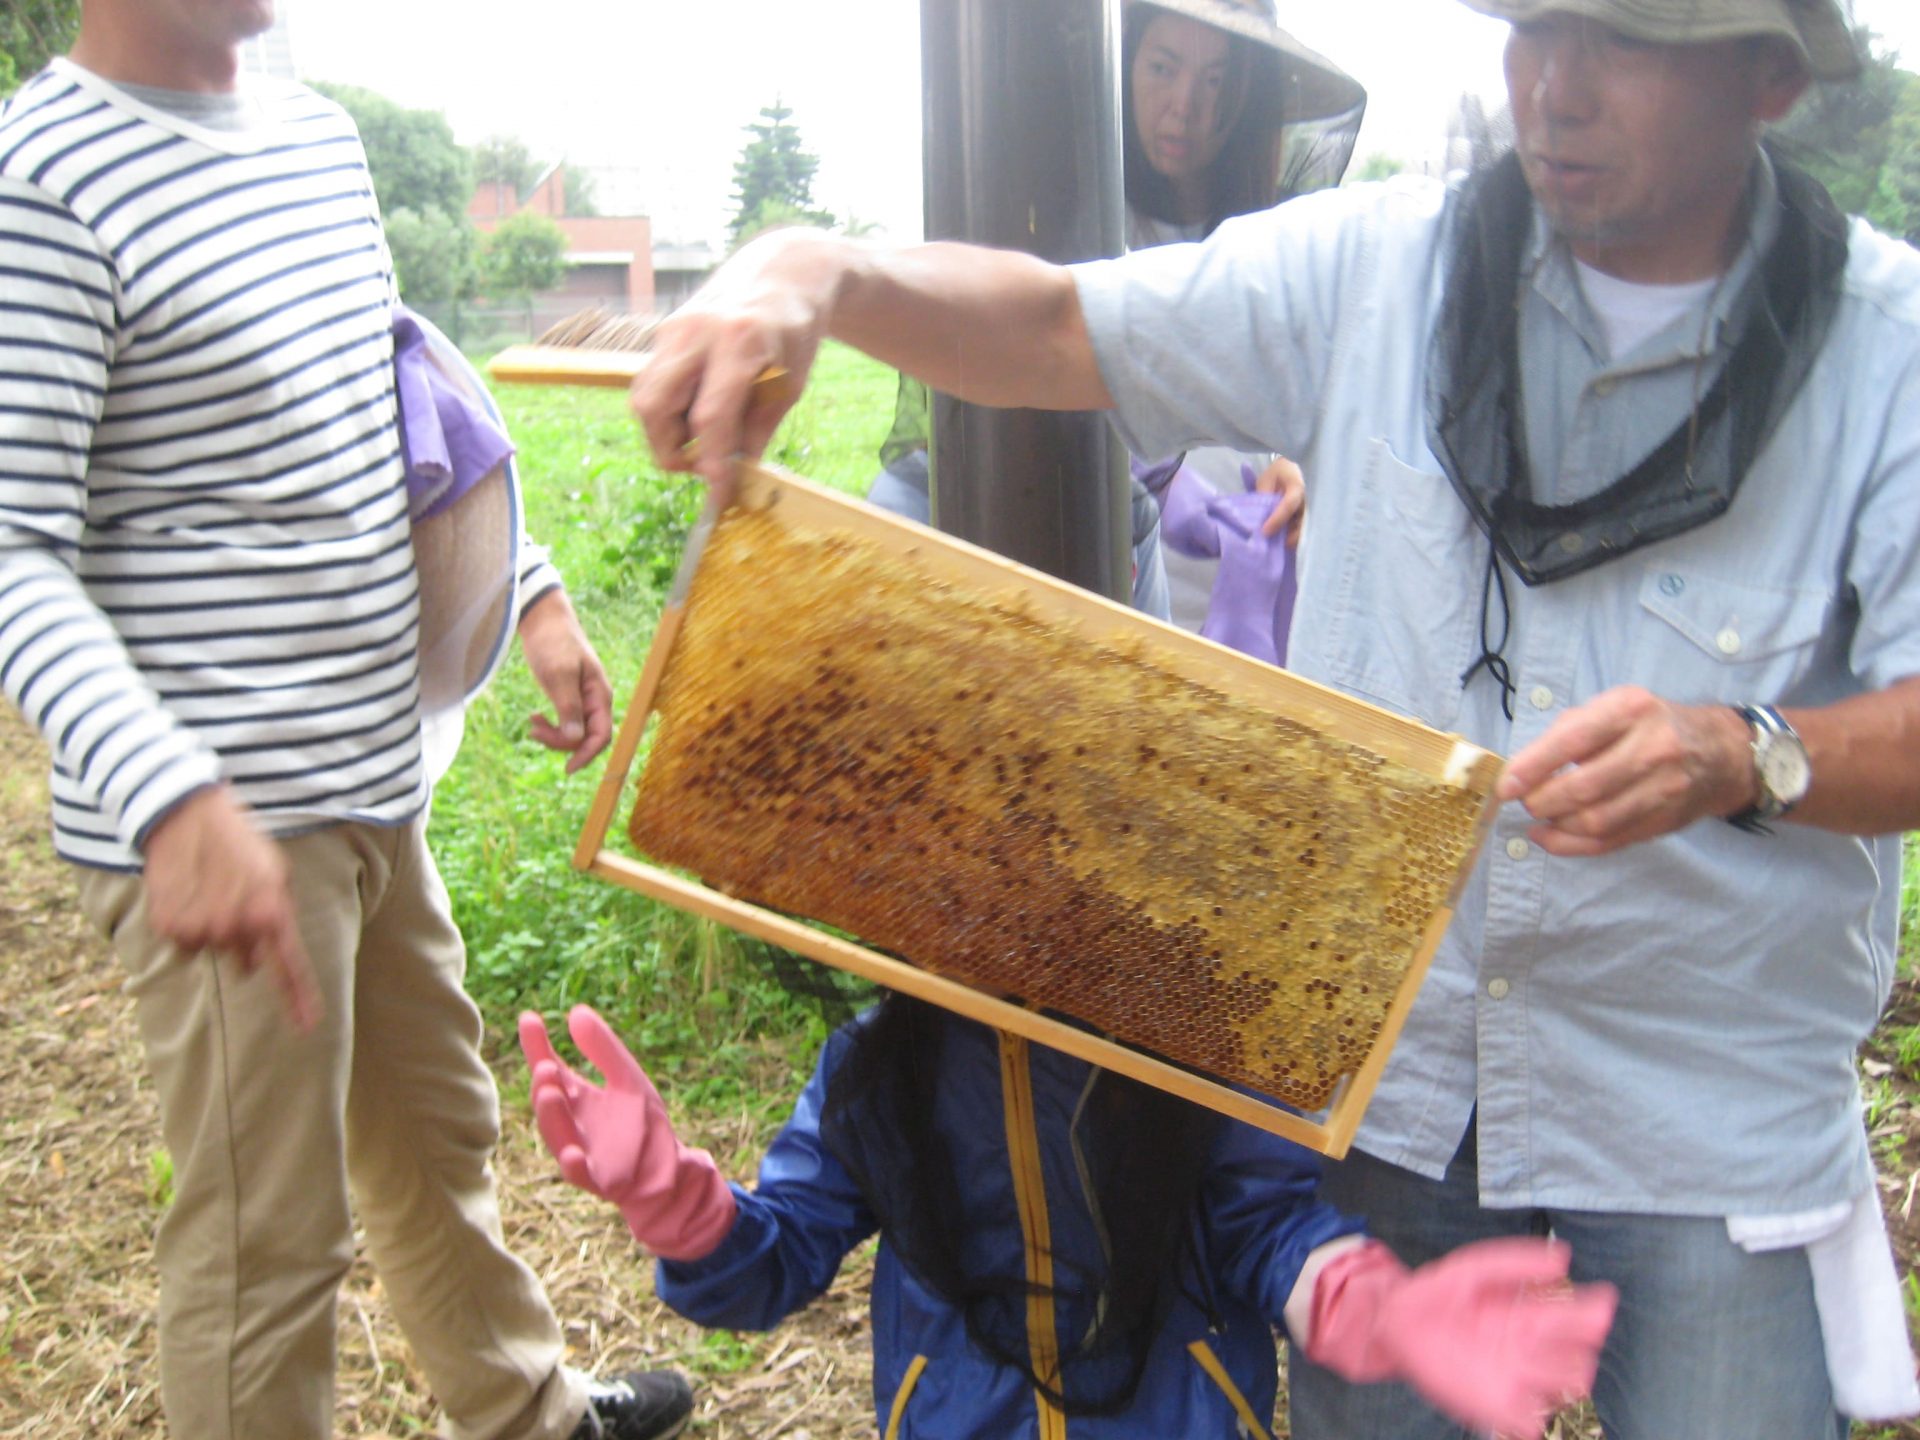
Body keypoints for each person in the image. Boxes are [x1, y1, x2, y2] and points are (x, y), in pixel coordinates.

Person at [628, 0, 1920, 1435]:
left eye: (1621, 42)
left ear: (1770, 77)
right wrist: (815, 270)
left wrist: (1749, 752)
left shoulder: (1890, 349)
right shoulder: (1377, 266)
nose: (1553, 89)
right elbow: (1061, 323)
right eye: (1533, 29)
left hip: (1706, 1114)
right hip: (1389, 1085)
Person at [0, 3, 689, 1438]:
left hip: (377, 782)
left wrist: (540, 586)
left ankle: (528, 1414)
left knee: (437, 1134)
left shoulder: (316, 138)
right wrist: (168, 800)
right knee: (269, 1245)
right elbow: (13, 551)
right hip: (224, 831)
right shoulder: (44, 181)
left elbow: (403, 406)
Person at [519, 1000, 1615, 1439]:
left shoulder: (1194, 1042)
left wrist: (1376, 1306)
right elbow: (774, 1263)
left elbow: (1262, 1223)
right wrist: (682, 1208)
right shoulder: (879, 1062)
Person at [865, 0, 1354, 635]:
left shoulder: (1267, 250)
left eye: (1215, 80)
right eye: (1163, 67)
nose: (1185, 105)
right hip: (1102, 592)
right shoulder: (1070, 229)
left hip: (1235, 605)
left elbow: (1296, 407)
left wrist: (1294, 473)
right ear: (1123, 66)